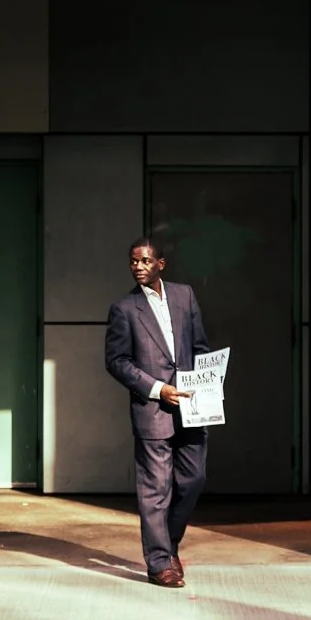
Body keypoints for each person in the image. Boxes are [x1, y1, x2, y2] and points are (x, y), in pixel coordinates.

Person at [105, 237, 209, 588]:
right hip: (152, 409)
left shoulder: (185, 296)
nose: (138, 267)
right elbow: (117, 362)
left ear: (160, 264)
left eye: (146, 261)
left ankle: (170, 544)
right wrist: (157, 389)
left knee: (193, 479)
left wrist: (206, 388)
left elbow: (199, 348)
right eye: (133, 262)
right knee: (155, 488)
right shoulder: (124, 308)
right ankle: (159, 563)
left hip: (191, 408)